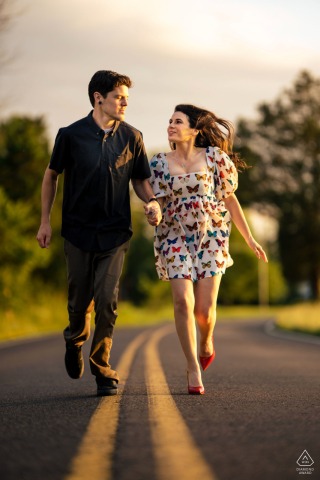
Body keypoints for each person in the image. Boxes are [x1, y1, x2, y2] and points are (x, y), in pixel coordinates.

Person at [36, 70, 161, 396]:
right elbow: (51, 177)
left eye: (127, 99)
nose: (124, 103)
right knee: (79, 304)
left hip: (115, 234)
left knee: (107, 301)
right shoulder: (70, 135)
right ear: (98, 98)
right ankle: (75, 339)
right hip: (77, 233)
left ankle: (102, 368)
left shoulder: (132, 136)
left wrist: (152, 203)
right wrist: (45, 221)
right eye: (119, 97)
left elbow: (140, 179)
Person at [146, 104, 268, 395]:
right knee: (182, 303)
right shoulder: (159, 163)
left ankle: (206, 340)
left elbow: (229, 199)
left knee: (203, 311)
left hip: (211, 237)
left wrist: (249, 238)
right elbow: (158, 202)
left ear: (195, 130)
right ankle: (191, 366)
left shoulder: (215, 158)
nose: (171, 126)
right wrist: (153, 212)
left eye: (178, 121)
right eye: (169, 121)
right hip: (174, 235)